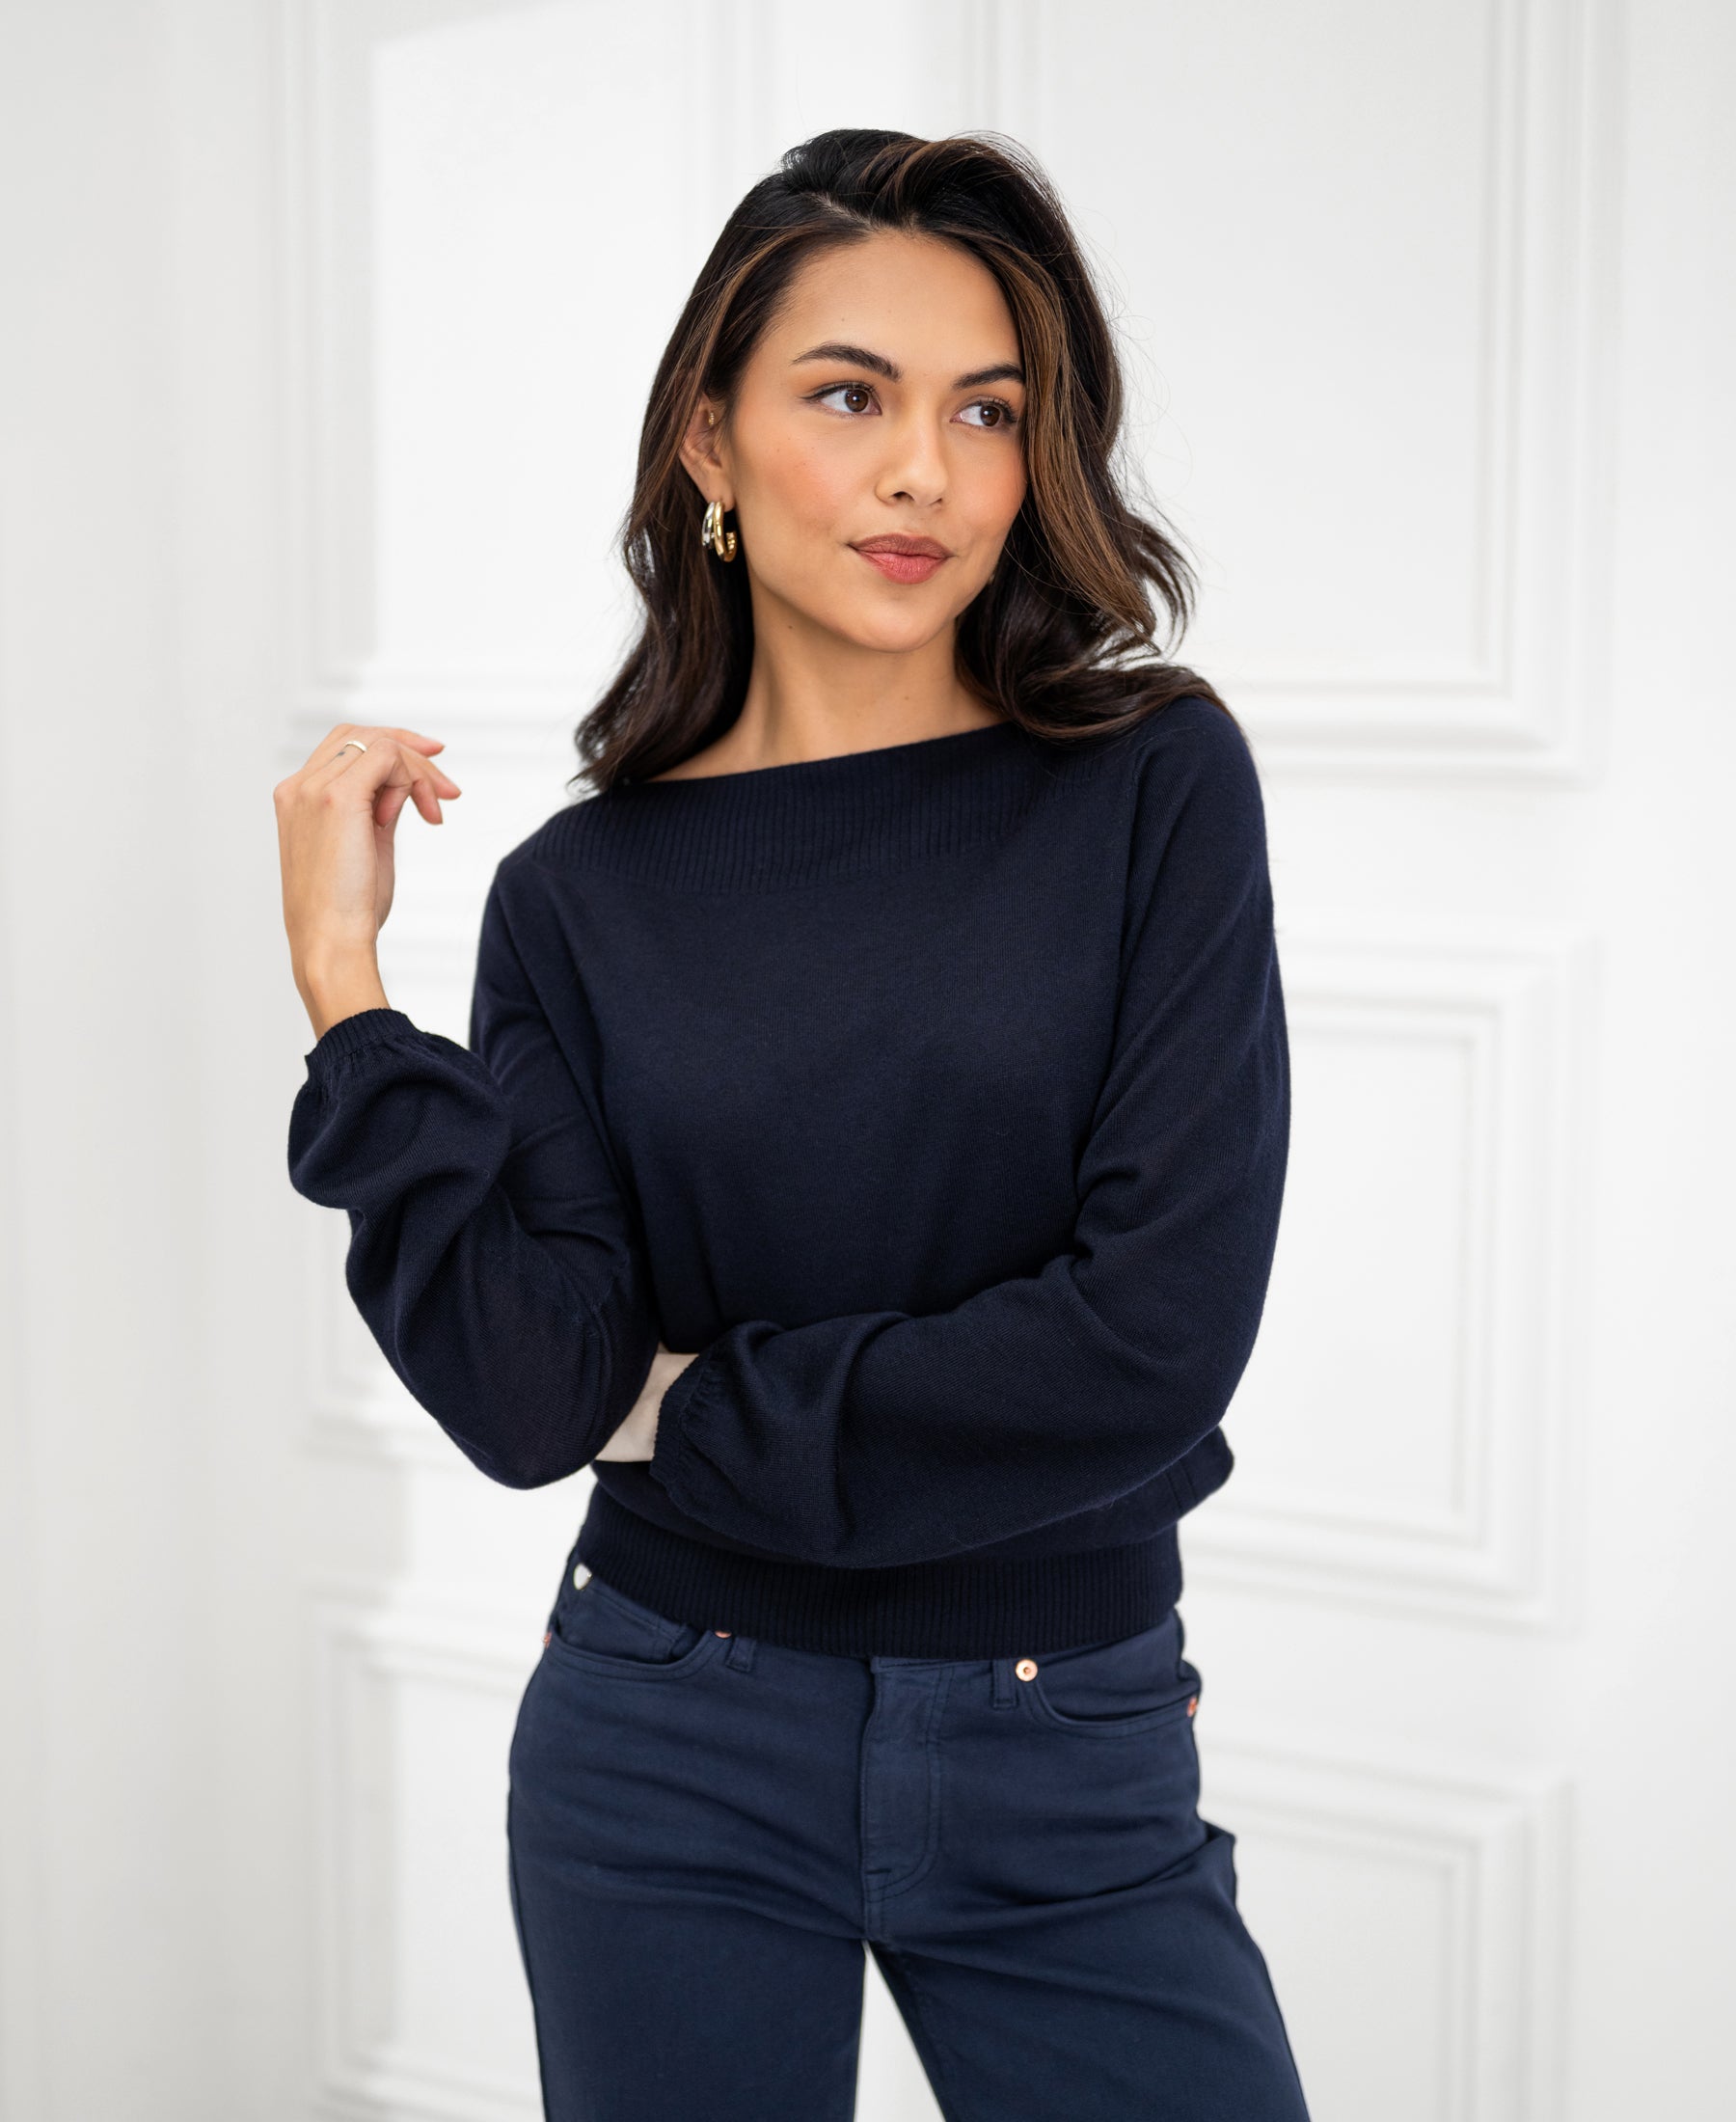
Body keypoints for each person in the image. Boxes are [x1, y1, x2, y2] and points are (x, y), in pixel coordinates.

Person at [276, 126, 1310, 2122]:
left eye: (987, 410)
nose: (928, 469)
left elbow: (1154, 1339)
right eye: (851, 396)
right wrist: (347, 991)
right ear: (711, 444)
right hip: (664, 1731)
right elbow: (530, 1389)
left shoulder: (1153, 785)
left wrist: (681, 1408)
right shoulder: (577, 897)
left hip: (1067, 1741)